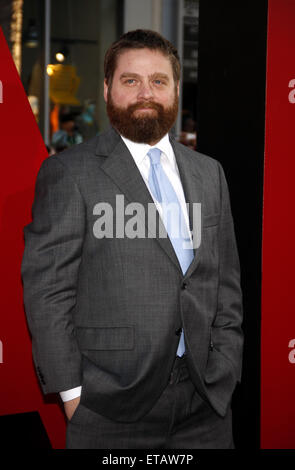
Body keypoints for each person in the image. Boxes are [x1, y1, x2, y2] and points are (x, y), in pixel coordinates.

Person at [21, 29, 243, 449]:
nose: (146, 92)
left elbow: (225, 281)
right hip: (109, 407)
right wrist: (72, 394)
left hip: (206, 402)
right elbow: (48, 290)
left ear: (176, 89)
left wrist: (227, 364)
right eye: (130, 80)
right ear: (107, 88)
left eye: (159, 81)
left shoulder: (208, 172)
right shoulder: (71, 173)